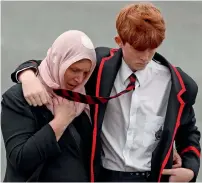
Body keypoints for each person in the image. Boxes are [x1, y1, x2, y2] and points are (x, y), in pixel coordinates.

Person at [9, 2, 201, 182]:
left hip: (152, 177)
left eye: (152, 49)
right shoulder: (98, 66)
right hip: (103, 176)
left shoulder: (179, 84)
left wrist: (191, 169)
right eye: (138, 49)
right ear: (119, 41)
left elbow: (189, 130)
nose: (145, 57)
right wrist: (26, 75)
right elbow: (56, 64)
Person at [1, 30, 97, 182]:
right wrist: (60, 122)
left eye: (86, 72)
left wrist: (25, 71)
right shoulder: (19, 98)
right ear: (58, 62)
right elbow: (20, 160)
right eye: (74, 70)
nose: (79, 79)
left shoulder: (82, 96)